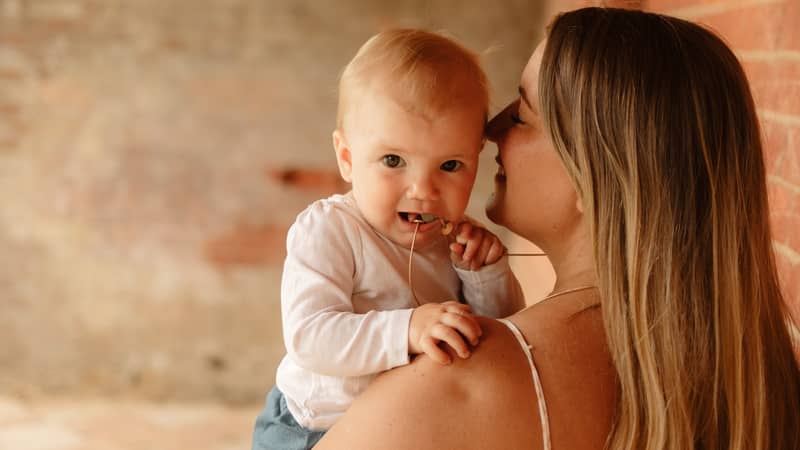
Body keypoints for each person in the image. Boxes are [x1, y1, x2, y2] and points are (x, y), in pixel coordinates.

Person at [315, 7, 800, 450]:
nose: (490, 130)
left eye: (522, 115)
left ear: (590, 179)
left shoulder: (456, 382)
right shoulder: (762, 379)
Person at [251, 29, 525, 450]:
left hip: (408, 429)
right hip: (315, 427)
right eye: (393, 160)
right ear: (347, 159)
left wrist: (486, 276)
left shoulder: (457, 240)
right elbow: (311, 336)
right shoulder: (331, 230)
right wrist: (408, 329)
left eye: (450, 165)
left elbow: (499, 338)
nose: (424, 190)